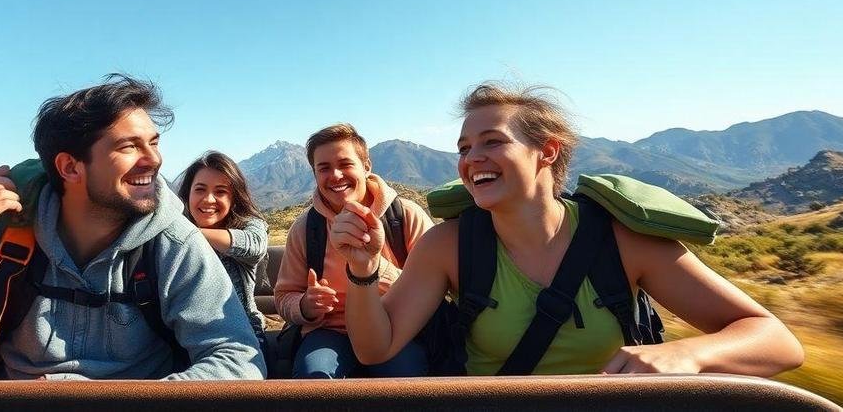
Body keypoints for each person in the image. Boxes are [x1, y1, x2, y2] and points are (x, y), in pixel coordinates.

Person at [334, 83, 805, 376]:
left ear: (548, 151)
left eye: (493, 141)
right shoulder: (448, 246)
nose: (471, 157)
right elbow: (376, 349)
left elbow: (777, 341)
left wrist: (689, 355)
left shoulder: (623, 241)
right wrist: (363, 269)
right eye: (464, 147)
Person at [0, 74, 265, 380]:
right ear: (70, 167)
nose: (153, 160)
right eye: (129, 146)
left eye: (153, 142)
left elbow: (237, 358)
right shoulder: (7, 237)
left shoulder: (171, 243)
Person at [273, 123, 433, 379]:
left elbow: (432, 288)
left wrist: (372, 267)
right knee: (314, 377)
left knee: (406, 381)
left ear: (366, 166)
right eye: (323, 168)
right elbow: (283, 296)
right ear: (314, 175)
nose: (335, 175)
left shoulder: (404, 217)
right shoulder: (305, 228)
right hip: (329, 332)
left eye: (345, 164)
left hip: (395, 327)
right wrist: (305, 305)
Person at [176, 151, 270, 350]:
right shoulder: (174, 234)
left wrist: (187, 233)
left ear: (234, 198)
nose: (209, 199)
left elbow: (254, 245)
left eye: (220, 191)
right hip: (184, 334)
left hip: (241, 333)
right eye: (200, 190)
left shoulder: (249, 225)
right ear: (188, 194)